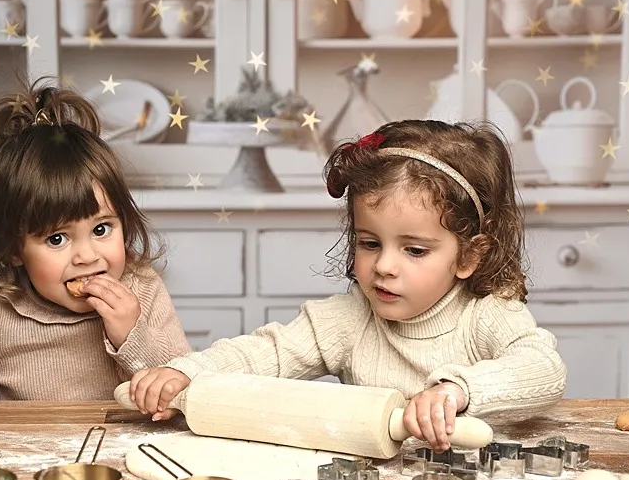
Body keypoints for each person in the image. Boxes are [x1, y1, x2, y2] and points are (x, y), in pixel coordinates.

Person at [127, 119, 566, 451]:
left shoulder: (487, 314)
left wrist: (458, 390)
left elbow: (544, 370)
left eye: (415, 250)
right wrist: (187, 372)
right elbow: (266, 353)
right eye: (370, 243)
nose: (384, 267)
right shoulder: (350, 318)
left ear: (468, 255)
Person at [0, 79, 190, 401]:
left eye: (101, 229)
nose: (87, 256)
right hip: (28, 450)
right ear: (14, 249)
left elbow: (179, 384)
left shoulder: (143, 290)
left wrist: (131, 334)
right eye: (57, 238)